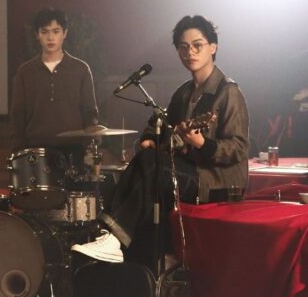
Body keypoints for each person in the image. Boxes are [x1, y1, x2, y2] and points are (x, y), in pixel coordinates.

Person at [72, 15, 249, 264]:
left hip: (216, 180)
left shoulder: (228, 92)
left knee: (151, 165)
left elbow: (239, 148)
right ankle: (120, 243)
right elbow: (159, 124)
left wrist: (203, 144)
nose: (190, 52)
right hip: (188, 172)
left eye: (197, 45)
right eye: (183, 47)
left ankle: (114, 238)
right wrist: (150, 138)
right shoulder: (184, 93)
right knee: (145, 158)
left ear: (213, 47)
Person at [10, 7, 99, 153]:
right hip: (35, 150)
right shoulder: (25, 72)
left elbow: (90, 112)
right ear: (37, 35)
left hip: (74, 149)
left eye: (56, 31)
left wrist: (90, 147)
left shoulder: (80, 69)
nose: (50, 38)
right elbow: (18, 115)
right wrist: (18, 151)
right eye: (44, 32)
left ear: (65, 33)